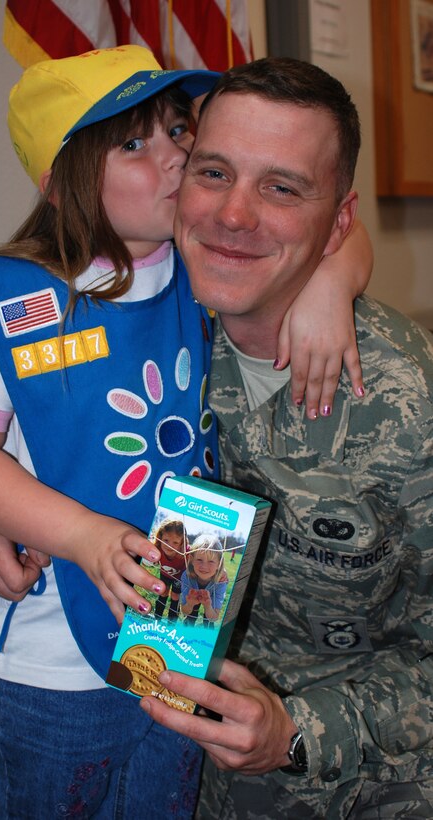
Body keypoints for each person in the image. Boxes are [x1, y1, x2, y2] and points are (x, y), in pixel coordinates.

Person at [0, 45, 370, 817]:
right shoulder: (15, 298)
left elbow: (337, 229)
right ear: (61, 182)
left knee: (162, 799)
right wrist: (78, 535)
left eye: (176, 130)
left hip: (182, 626)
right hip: (54, 661)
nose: (175, 156)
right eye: (133, 143)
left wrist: (331, 282)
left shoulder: (199, 265)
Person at [138, 58, 433, 819]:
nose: (233, 215)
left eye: (281, 188)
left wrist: (296, 733)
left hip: (359, 778)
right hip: (171, 761)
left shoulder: (410, 405)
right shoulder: (140, 332)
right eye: (214, 173)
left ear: (339, 221)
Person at [180, 534, 228, 627]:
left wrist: (208, 606)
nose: (204, 566)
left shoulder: (221, 582)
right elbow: (184, 611)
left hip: (210, 607)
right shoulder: (187, 576)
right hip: (192, 601)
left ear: (219, 564)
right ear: (192, 560)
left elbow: (214, 617)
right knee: (190, 616)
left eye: (211, 561)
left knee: (208, 622)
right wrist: (190, 604)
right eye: (199, 559)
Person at [152, 518, 188, 622]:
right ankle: (157, 618)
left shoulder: (186, 553)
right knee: (163, 592)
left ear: (182, 543)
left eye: (175, 542)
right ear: (160, 537)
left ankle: (171, 622)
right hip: (165, 574)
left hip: (179, 578)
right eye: (166, 540)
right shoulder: (157, 549)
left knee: (175, 596)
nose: (169, 545)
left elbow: (197, 558)